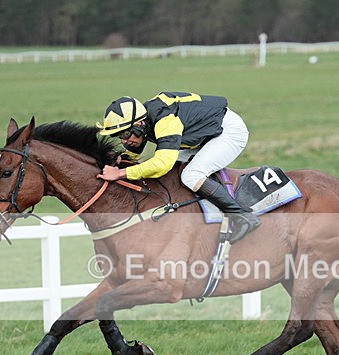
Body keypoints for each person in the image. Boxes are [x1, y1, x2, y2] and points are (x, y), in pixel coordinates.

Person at [96, 92, 260, 243]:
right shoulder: (145, 120)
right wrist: (125, 158)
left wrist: (121, 173)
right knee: (170, 173)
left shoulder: (164, 121)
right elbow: (139, 144)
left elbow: (162, 164)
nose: (124, 141)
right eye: (119, 136)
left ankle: (242, 216)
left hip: (227, 132)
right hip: (201, 134)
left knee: (191, 175)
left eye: (125, 134)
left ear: (139, 124)